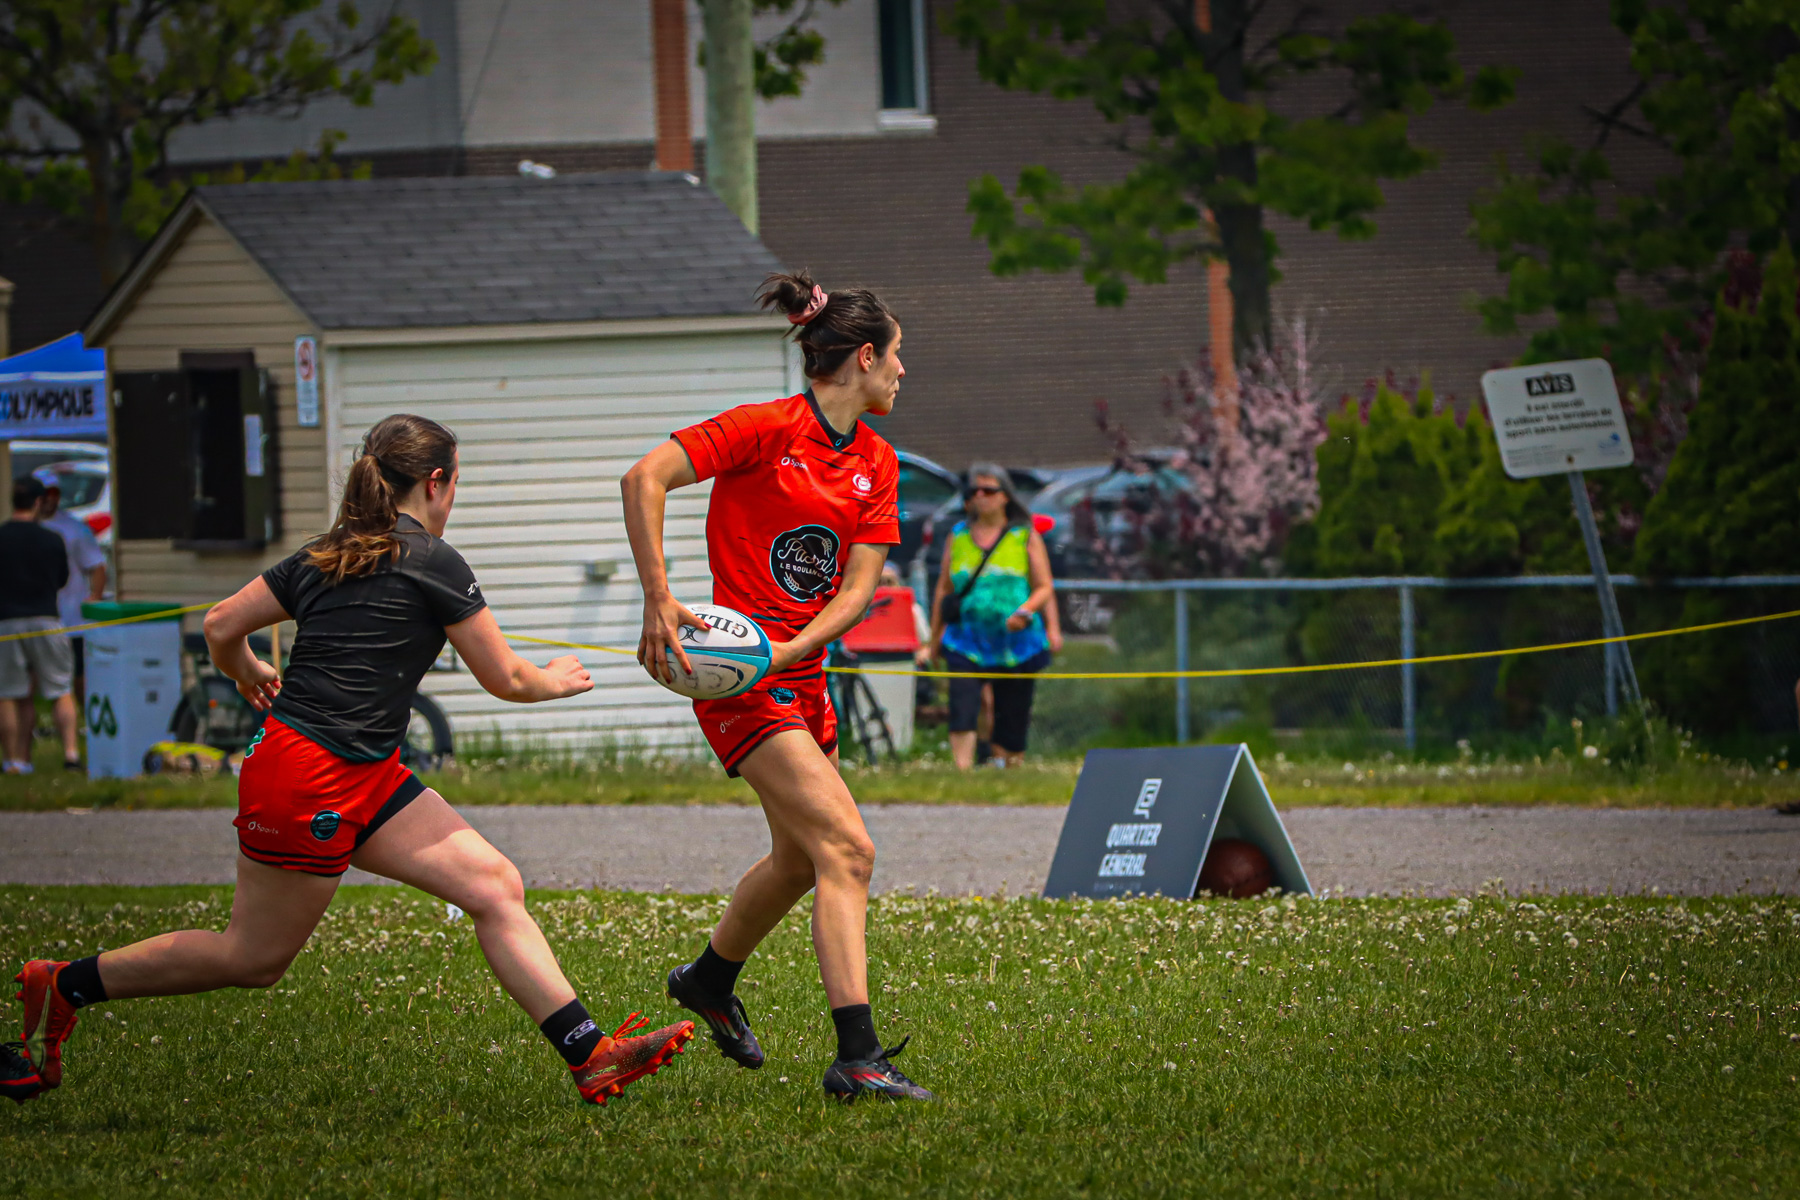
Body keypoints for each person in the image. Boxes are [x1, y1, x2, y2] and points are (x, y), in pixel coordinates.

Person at [6, 415, 694, 1108]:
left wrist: (243, 669)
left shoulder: (327, 552)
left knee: (492, 884)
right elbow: (507, 679)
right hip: (310, 776)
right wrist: (556, 676)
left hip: (362, 770)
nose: (453, 498)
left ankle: (591, 1055)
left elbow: (220, 626)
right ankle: (64, 983)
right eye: (455, 484)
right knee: (253, 958)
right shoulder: (432, 559)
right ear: (435, 482)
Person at [622, 270, 931, 1102]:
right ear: (863, 358)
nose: (905, 372)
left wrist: (794, 647)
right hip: (740, 686)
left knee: (800, 861)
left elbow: (859, 590)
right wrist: (662, 597)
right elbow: (644, 477)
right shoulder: (765, 430)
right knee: (850, 851)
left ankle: (709, 982)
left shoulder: (877, 462)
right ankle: (857, 1056)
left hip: (799, 678)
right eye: (898, 356)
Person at [928, 464, 1061, 770]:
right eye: (974, 491)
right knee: (963, 703)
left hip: (1016, 642)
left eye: (989, 490)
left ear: (1005, 497)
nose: (980, 496)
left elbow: (1044, 587)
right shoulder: (957, 536)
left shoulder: (1022, 535)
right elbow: (943, 590)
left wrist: (1028, 614)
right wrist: (933, 639)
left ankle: (1007, 765)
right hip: (966, 639)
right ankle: (962, 771)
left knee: (1012, 714)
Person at [0, 476, 71, 774]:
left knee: (9, 694)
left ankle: (16, 761)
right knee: (60, 689)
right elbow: (62, 579)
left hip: (6, 622)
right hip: (45, 618)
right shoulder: (52, 539)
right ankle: (71, 754)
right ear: (39, 502)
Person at [34, 466, 107, 714]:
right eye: (45, 493)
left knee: (76, 674)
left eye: (54, 493)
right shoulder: (25, 527)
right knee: (33, 673)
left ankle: (85, 717)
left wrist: (95, 597)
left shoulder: (74, 528)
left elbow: (96, 566)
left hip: (71, 617)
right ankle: (41, 722)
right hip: (36, 616)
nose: (50, 498)